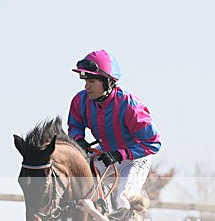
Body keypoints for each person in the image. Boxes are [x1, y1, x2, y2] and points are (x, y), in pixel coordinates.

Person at [68, 50, 161, 210]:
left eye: (91, 81)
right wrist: (79, 141)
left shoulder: (129, 105)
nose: (86, 86)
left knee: (122, 199)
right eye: (85, 81)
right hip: (106, 152)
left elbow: (153, 143)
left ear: (107, 82)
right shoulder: (81, 100)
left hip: (136, 157)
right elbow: (75, 125)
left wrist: (120, 155)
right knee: (78, 183)